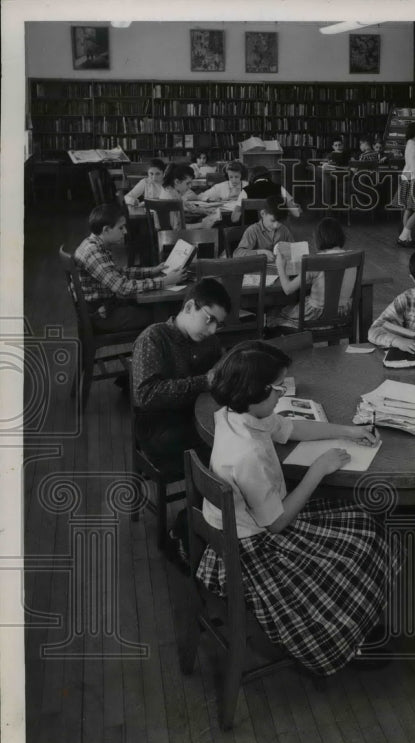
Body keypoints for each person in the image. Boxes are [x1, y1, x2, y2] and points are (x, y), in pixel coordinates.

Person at [196, 340, 398, 676]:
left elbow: (289, 428)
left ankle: (352, 624)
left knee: (361, 526)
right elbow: (276, 524)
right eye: (277, 389)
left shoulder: (235, 414)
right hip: (253, 552)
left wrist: (347, 430)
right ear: (255, 391)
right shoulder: (246, 454)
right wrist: (319, 469)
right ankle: (338, 640)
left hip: (242, 530)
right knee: (357, 544)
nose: (282, 395)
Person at [131, 278, 230, 475]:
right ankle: (214, 501)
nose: (212, 330)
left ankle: (216, 501)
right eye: (209, 319)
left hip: (196, 417)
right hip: (160, 429)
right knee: (231, 447)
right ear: (189, 306)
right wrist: (205, 381)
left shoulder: (209, 341)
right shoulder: (154, 338)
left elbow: (219, 374)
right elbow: (146, 395)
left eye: (218, 324)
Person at [73, 203, 186, 334]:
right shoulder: (93, 252)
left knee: (157, 307)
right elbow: (122, 287)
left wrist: (152, 270)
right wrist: (165, 281)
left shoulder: (95, 244)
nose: (125, 232)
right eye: (121, 228)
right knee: (160, 315)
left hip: (105, 307)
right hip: (101, 316)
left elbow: (118, 272)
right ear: (106, 230)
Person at [268, 218, 352, 331]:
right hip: (342, 314)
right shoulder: (352, 257)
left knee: (273, 315)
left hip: (315, 316)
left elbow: (288, 289)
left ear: (319, 239)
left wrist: (280, 267)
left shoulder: (316, 262)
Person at [156, 164, 221, 230]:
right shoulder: (171, 199)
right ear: (177, 181)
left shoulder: (170, 190)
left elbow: (186, 205)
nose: (190, 186)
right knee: (217, 228)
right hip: (174, 236)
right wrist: (202, 225)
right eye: (188, 183)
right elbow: (176, 228)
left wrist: (203, 210)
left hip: (168, 234)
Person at [394, 121, 415, 248]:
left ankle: (406, 238)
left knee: (408, 208)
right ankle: (404, 236)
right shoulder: (413, 147)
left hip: (407, 178)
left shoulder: (411, 144)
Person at [233, 195, 294, 260]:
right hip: (258, 268)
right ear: (263, 214)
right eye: (272, 220)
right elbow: (237, 254)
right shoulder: (253, 230)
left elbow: (294, 248)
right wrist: (259, 252)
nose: (276, 225)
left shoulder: (284, 230)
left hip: (279, 267)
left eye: (280, 221)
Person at [232, 165, 301, 223]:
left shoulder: (246, 190)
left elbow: (234, 218)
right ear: (269, 176)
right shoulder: (279, 188)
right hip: (275, 233)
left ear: (251, 177)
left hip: (253, 233)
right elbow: (296, 213)